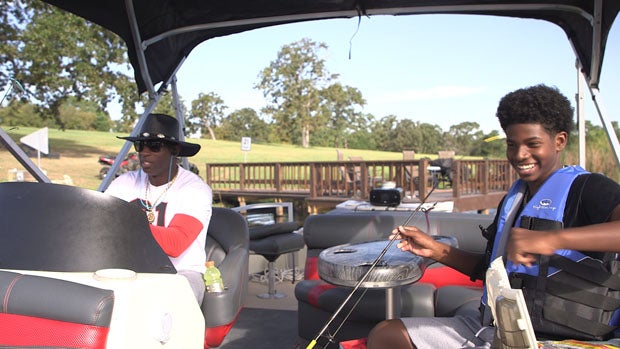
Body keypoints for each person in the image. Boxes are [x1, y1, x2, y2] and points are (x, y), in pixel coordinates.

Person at [367, 84, 620, 349]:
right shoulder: (515, 200)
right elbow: (491, 269)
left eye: (532, 144)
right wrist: (436, 251)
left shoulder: (589, 189)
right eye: (512, 145)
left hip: (565, 342)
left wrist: (551, 239)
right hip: (495, 332)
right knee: (389, 334)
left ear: (559, 141)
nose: (520, 155)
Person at [105, 113, 212, 304]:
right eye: (140, 145)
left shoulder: (195, 189)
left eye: (154, 146)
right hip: (131, 269)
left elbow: (175, 243)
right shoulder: (124, 183)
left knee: (169, 298)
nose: (144, 152)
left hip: (182, 272)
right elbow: (101, 224)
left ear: (174, 150)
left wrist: (123, 226)